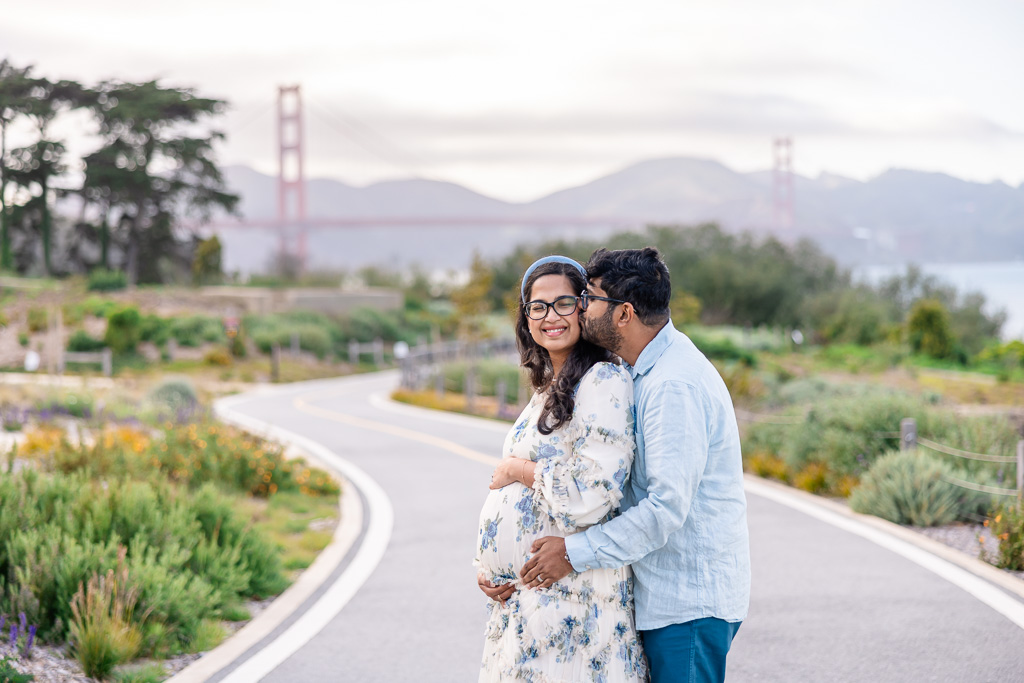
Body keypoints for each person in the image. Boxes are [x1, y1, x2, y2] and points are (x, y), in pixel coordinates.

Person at [520, 247, 750, 683]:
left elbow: (665, 510)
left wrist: (571, 554)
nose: (581, 309)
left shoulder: (672, 386)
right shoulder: (642, 371)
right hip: (663, 600)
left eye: (590, 299)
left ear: (623, 313)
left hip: (687, 608)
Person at [474, 255, 648, 683]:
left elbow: (592, 493)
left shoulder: (603, 380)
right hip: (526, 608)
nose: (550, 316)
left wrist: (517, 469)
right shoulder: (547, 389)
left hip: (576, 607)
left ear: (584, 309)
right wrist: (490, 569)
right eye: (538, 306)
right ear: (525, 317)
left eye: (564, 303)